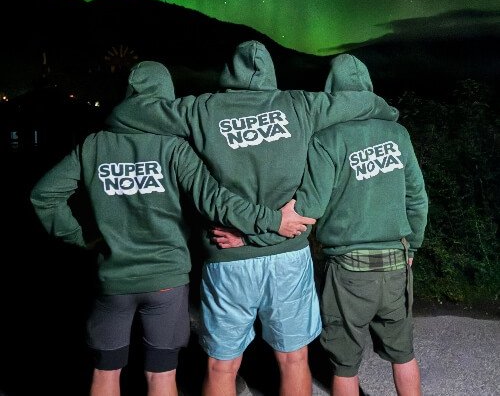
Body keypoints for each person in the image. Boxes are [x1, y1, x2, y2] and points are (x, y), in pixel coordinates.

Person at [105, 41, 399, 396]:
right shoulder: (299, 104)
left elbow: (131, 113)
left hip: (228, 256)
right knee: (294, 358)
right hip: (288, 254)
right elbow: (358, 101)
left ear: (229, 72)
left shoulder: (201, 109)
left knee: (221, 365)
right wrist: (386, 110)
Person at [30, 61, 314, 396]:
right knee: (162, 376)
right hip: (167, 279)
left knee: (105, 373)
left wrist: (82, 237)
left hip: (113, 279)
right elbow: (214, 200)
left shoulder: (93, 145)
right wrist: (272, 221)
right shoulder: (175, 148)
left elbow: (44, 196)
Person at [294, 54, 428, 396]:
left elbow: (311, 207)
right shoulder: (398, 134)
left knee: (344, 364)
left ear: (331, 91)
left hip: (349, 270)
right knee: (404, 353)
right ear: (369, 87)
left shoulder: (326, 139)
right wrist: (412, 246)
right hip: (396, 263)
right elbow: (417, 198)